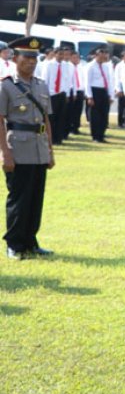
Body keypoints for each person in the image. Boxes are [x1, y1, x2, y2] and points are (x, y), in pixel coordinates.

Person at [0, 37, 55, 260]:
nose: (31, 62)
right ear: (15, 58)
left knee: (35, 198)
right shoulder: (5, 86)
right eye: (27, 57)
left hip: (39, 148)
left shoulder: (41, 85)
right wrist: (4, 152)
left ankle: (31, 241)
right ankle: (14, 243)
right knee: (19, 199)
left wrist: (50, 151)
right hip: (17, 148)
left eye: (34, 58)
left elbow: (46, 120)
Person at [84, 46, 113, 143]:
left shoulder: (105, 66)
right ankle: (95, 136)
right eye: (100, 57)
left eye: (104, 57)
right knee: (95, 116)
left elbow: (108, 81)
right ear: (96, 56)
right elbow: (87, 82)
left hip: (104, 91)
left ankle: (101, 135)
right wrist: (89, 96)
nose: (102, 59)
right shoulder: (90, 66)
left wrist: (110, 94)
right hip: (95, 91)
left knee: (104, 114)